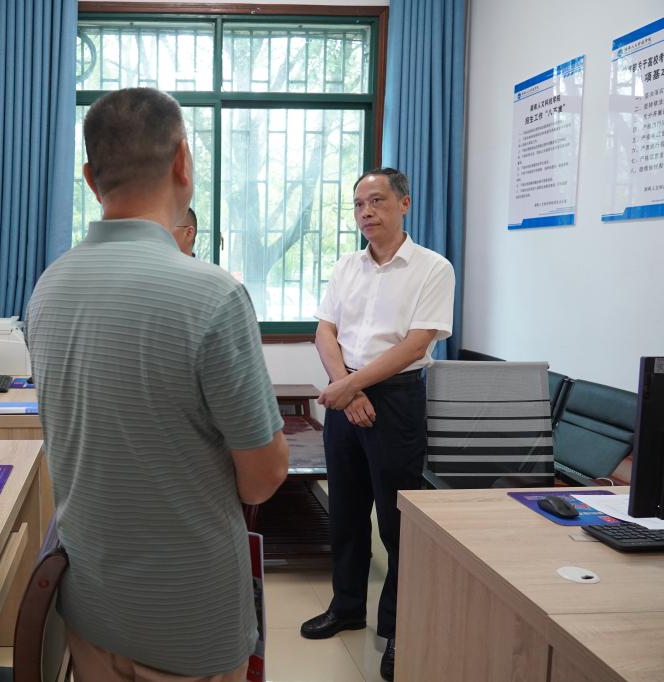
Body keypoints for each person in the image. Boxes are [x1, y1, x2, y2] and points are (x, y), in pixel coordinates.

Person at [26, 87, 289, 681]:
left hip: (91, 605)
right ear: (183, 163)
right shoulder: (212, 295)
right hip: (189, 619)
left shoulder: (48, 288)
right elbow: (265, 474)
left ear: (90, 178)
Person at [299, 167, 454, 681]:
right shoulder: (347, 266)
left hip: (398, 399)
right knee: (345, 512)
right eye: (359, 204)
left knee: (395, 521)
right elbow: (325, 331)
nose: (366, 212)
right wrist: (347, 388)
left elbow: (416, 343)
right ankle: (347, 607)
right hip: (347, 395)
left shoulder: (433, 268)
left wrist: (349, 387)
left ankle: (397, 628)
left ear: (404, 204)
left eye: (377, 201)